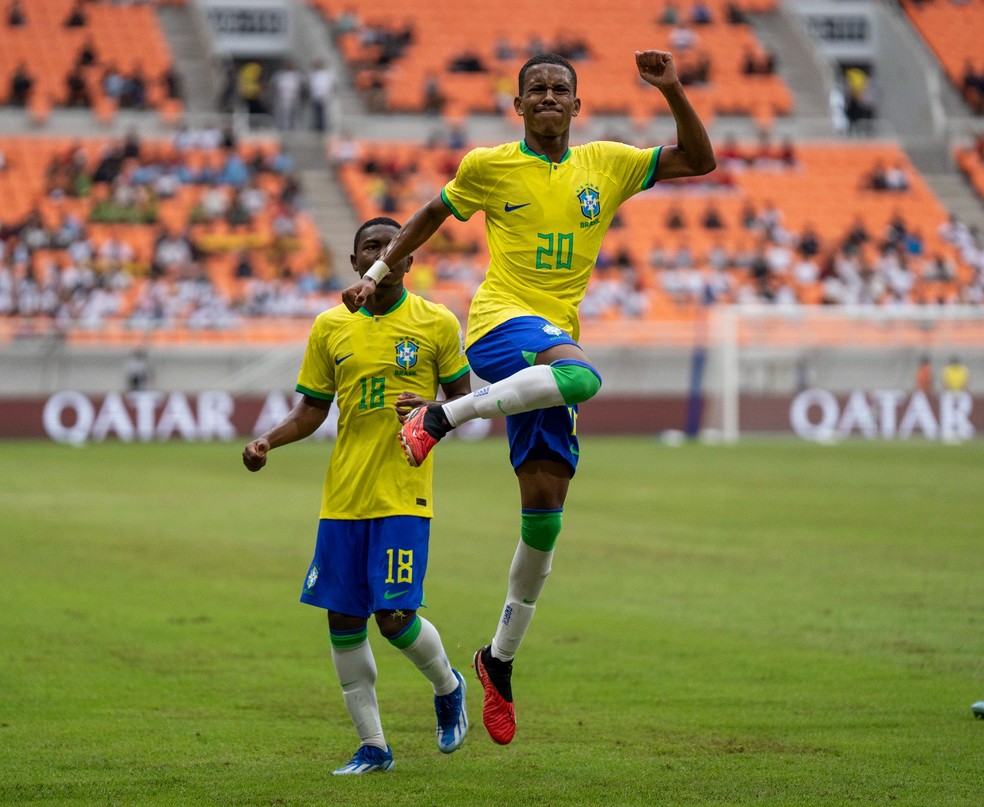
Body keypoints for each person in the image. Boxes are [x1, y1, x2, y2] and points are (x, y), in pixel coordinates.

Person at [340, 50, 715, 745]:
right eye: (535, 89)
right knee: (584, 377)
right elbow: (427, 214)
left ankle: (498, 661)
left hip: (547, 349)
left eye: (559, 89)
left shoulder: (608, 164)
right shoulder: (489, 166)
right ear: (517, 107)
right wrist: (380, 273)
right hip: (500, 327)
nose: (547, 96)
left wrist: (670, 88)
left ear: (577, 105)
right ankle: (441, 416)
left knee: (544, 519)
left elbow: (700, 158)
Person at [242, 218, 472, 774]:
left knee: (393, 616)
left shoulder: (436, 321)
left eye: (393, 244)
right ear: (355, 262)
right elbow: (312, 410)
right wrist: (269, 439)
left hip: (402, 491)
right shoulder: (329, 326)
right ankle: (373, 746)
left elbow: (467, 401)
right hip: (343, 497)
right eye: (371, 246)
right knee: (343, 620)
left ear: (409, 258)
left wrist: (432, 410)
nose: (383, 253)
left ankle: (448, 685)